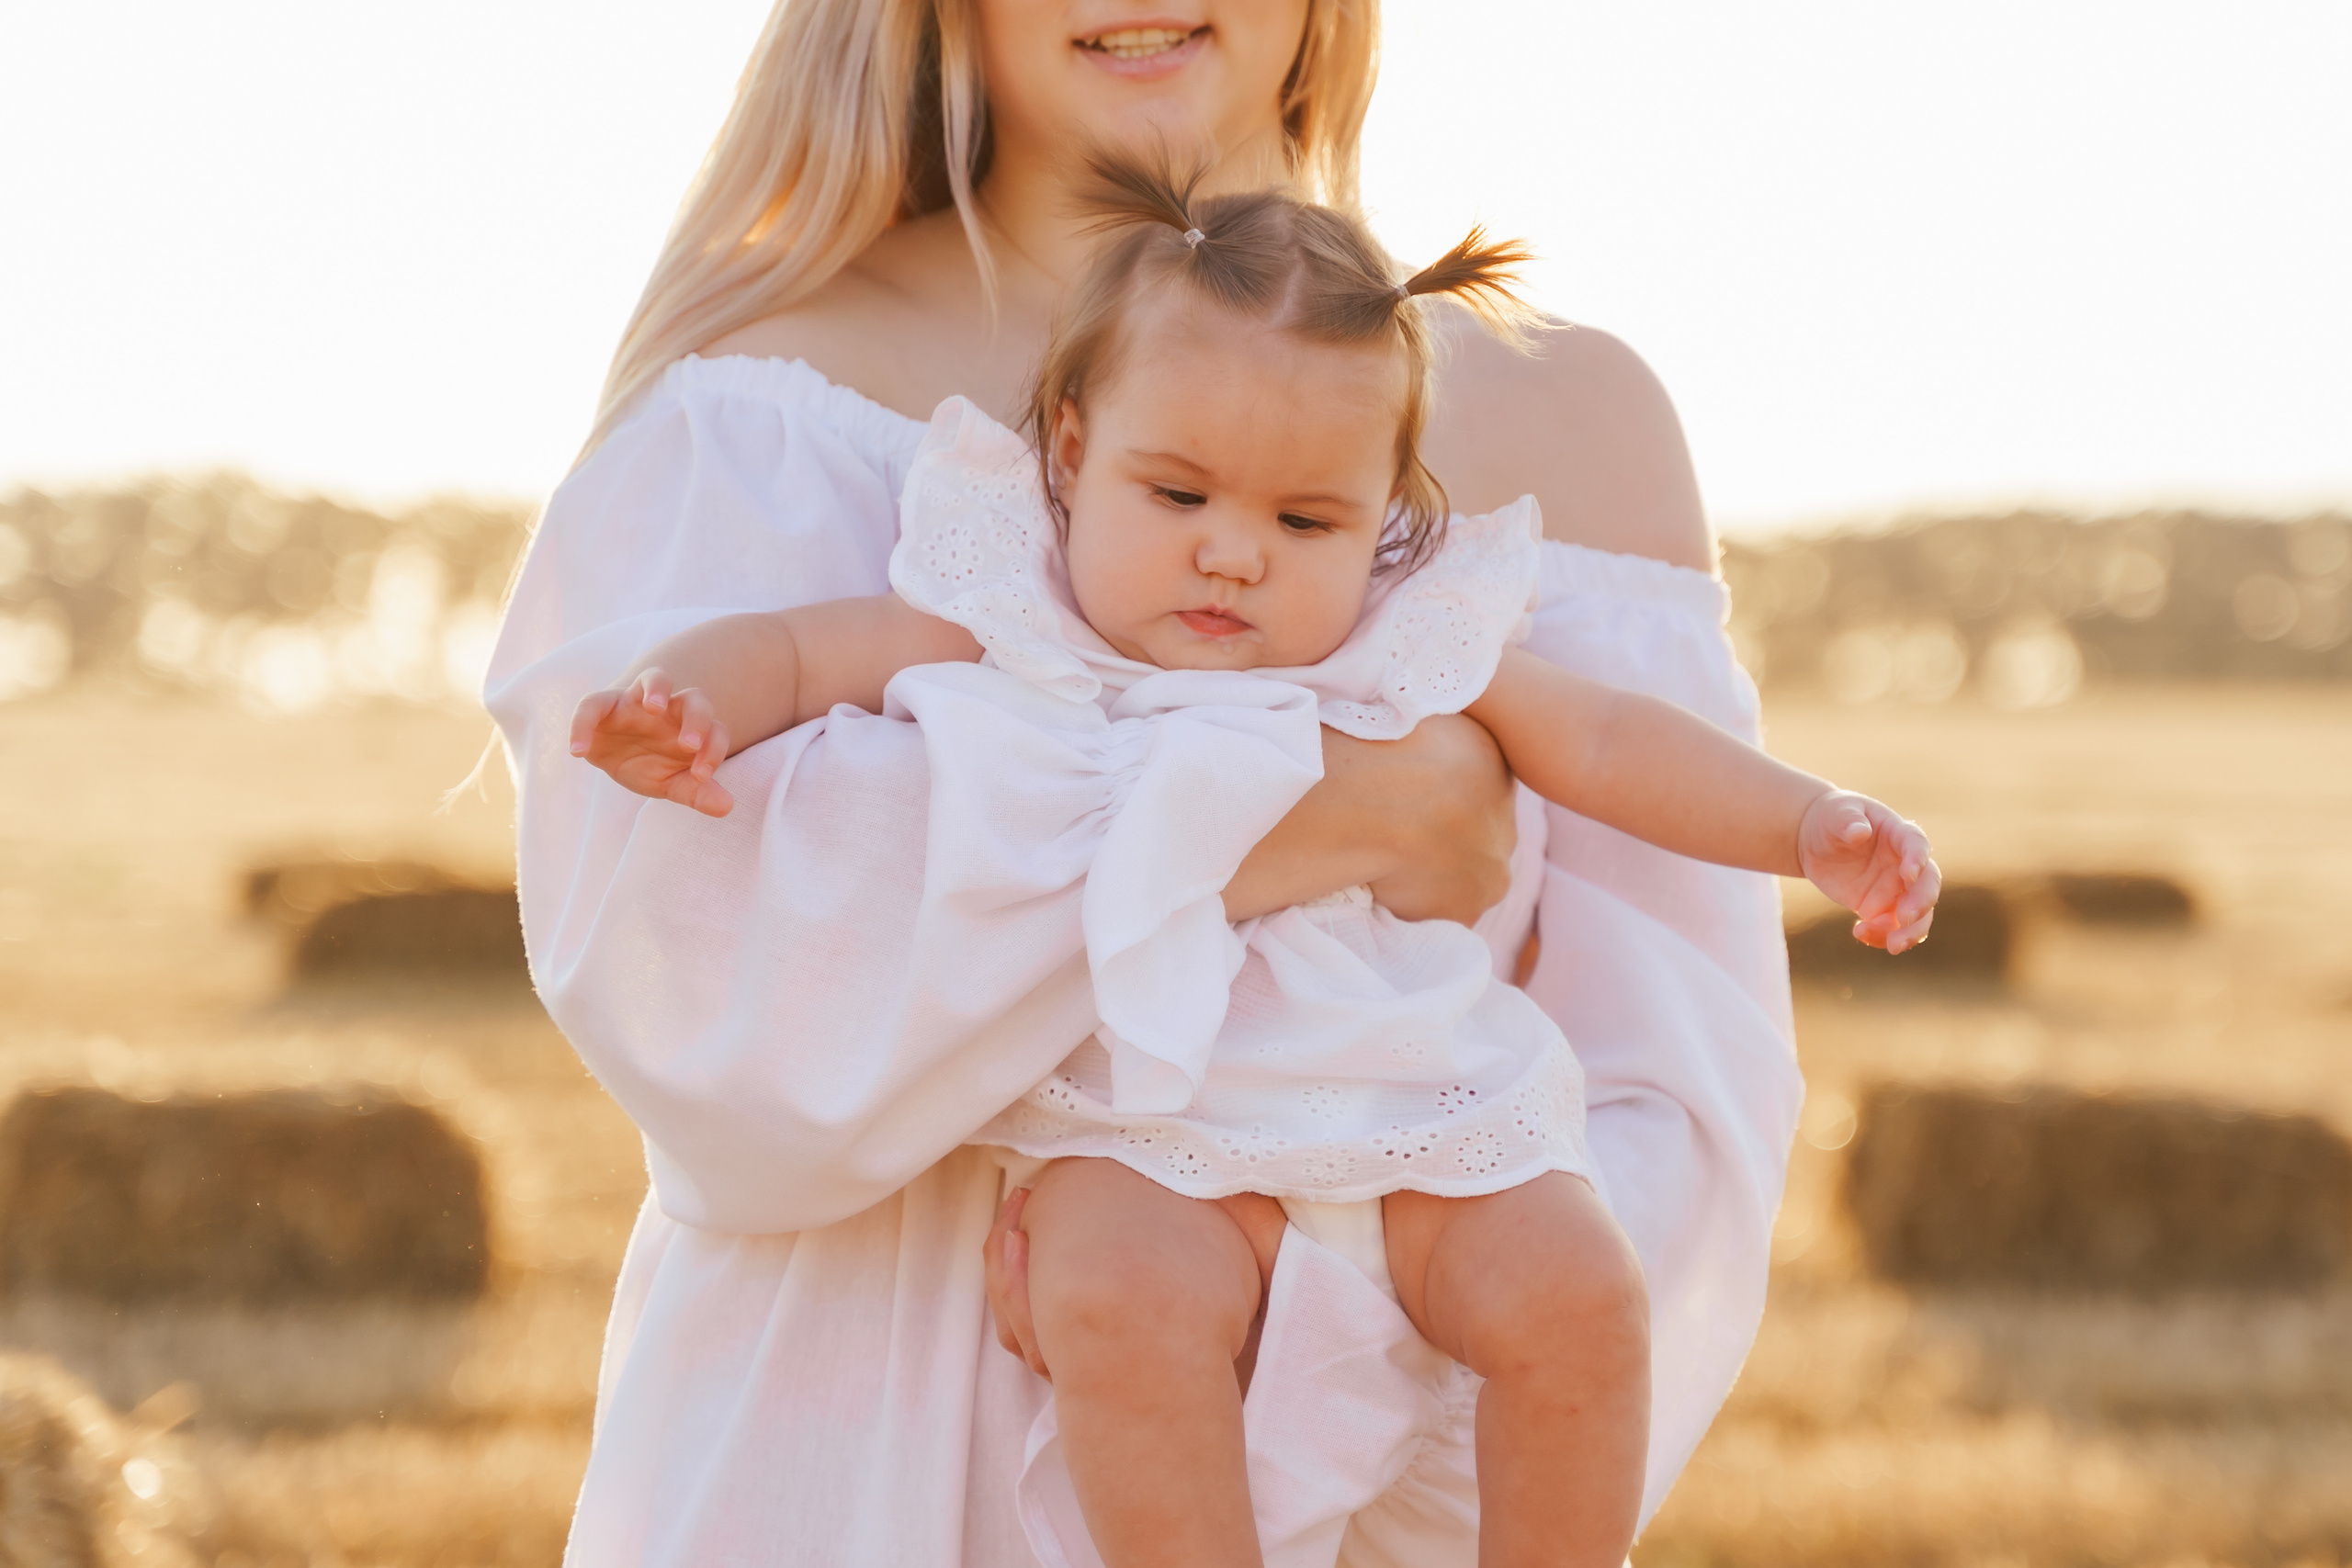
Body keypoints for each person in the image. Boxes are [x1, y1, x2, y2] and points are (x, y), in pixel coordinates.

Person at [485, 2, 1824, 1562]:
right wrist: (1336, 805)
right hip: (848, 1483)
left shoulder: (1573, 420)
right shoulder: (761, 390)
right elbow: (721, 1018)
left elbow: (1684, 1088)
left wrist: (1354, 1370)